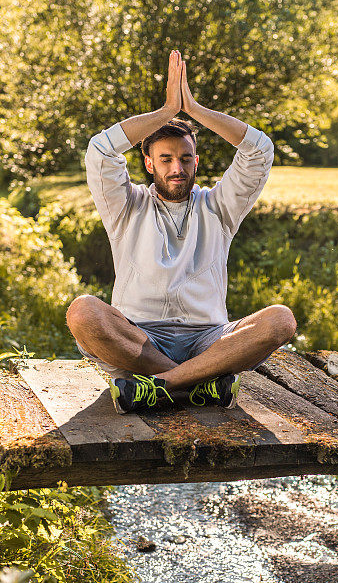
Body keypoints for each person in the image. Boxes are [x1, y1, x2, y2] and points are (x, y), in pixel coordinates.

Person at [66, 50, 297, 413]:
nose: (177, 167)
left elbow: (259, 151)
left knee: (281, 319)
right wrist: (166, 111)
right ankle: (196, 382)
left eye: (186, 158)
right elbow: (101, 150)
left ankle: (161, 386)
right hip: (139, 341)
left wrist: (195, 110)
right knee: (83, 313)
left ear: (196, 162)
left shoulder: (219, 206)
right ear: (147, 163)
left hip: (208, 341)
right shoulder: (126, 205)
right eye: (166, 159)